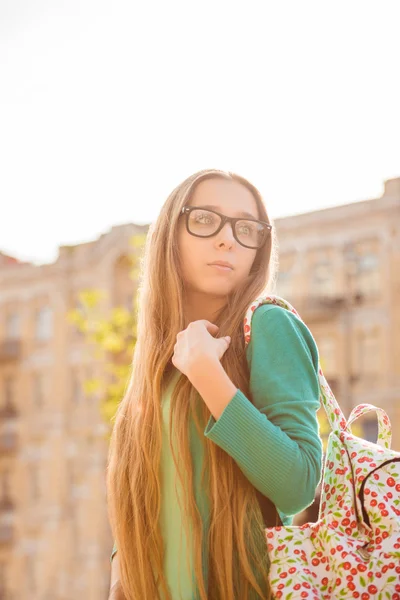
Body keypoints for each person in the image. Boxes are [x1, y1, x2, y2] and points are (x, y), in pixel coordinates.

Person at [107, 169, 323, 600]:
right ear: (171, 233)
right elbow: (147, 501)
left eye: (247, 228)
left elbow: (298, 484)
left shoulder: (268, 325)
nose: (227, 240)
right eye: (205, 220)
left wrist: (208, 375)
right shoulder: (155, 358)